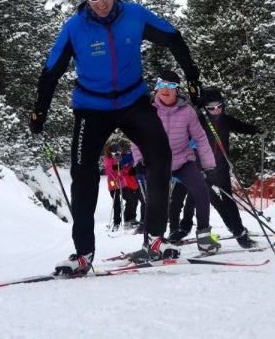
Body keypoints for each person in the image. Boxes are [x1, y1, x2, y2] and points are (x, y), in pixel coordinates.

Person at [29, 0, 203, 275]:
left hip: (133, 101)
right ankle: (83, 254)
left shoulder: (134, 16)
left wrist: (192, 77)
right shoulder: (74, 28)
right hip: (91, 107)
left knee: (160, 156)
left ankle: (154, 239)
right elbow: (51, 70)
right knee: (82, 174)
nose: (101, 1)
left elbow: (173, 38)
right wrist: (39, 110)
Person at [131, 70, 221, 256]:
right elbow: (136, 136)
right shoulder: (148, 109)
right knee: (155, 201)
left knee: (201, 189)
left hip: (182, 160)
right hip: (156, 162)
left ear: (176, 89)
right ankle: (151, 243)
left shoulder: (187, 111)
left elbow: (200, 138)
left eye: (170, 85)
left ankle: (204, 237)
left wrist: (209, 165)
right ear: (156, 87)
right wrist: (139, 160)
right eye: (161, 85)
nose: (165, 89)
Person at [176, 87, 266, 248]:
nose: (216, 110)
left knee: (228, 200)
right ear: (205, 108)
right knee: (194, 198)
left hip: (221, 167)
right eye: (211, 108)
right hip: (202, 167)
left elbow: (241, 126)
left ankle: (239, 233)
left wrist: (256, 130)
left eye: (219, 106)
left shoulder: (226, 120)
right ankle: (184, 227)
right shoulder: (199, 122)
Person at [103, 140, 139, 231]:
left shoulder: (119, 158)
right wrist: (115, 169)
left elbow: (123, 171)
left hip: (122, 184)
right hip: (113, 184)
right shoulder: (108, 159)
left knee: (130, 200)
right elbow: (108, 170)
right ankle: (116, 222)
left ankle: (129, 219)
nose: (120, 152)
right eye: (118, 151)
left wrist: (127, 169)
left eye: (120, 151)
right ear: (113, 151)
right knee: (117, 203)